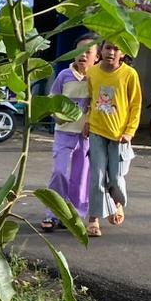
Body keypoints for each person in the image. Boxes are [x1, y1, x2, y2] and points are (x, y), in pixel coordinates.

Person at [84, 39, 141, 238]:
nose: (112, 52)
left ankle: (116, 204)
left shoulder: (129, 74)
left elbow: (136, 105)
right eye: (108, 47)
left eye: (117, 49)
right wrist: (87, 123)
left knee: (116, 177)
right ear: (101, 50)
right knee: (96, 176)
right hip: (97, 131)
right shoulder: (92, 72)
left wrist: (129, 131)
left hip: (120, 135)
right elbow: (90, 101)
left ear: (123, 54)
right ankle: (93, 219)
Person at [41, 38, 96, 231]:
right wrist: (57, 116)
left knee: (81, 177)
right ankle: (52, 213)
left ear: (96, 57)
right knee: (59, 172)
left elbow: (99, 104)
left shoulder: (96, 78)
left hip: (86, 136)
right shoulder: (64, 75)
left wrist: (90, 122)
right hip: (63, 133)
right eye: (79, 51)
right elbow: (52, 101)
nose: (83, 55)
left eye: (88, 52)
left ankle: (74, 216)